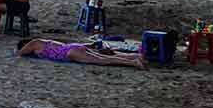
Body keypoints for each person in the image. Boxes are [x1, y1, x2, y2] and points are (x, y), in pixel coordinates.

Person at [17, 38, 146, 69]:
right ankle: (134, 56)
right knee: (103, 57)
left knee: (102, 60)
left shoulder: (34, 43)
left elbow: (20, 53)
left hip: (69, 53)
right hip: (72, 47)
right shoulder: (44, 41)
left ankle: (133, 62)